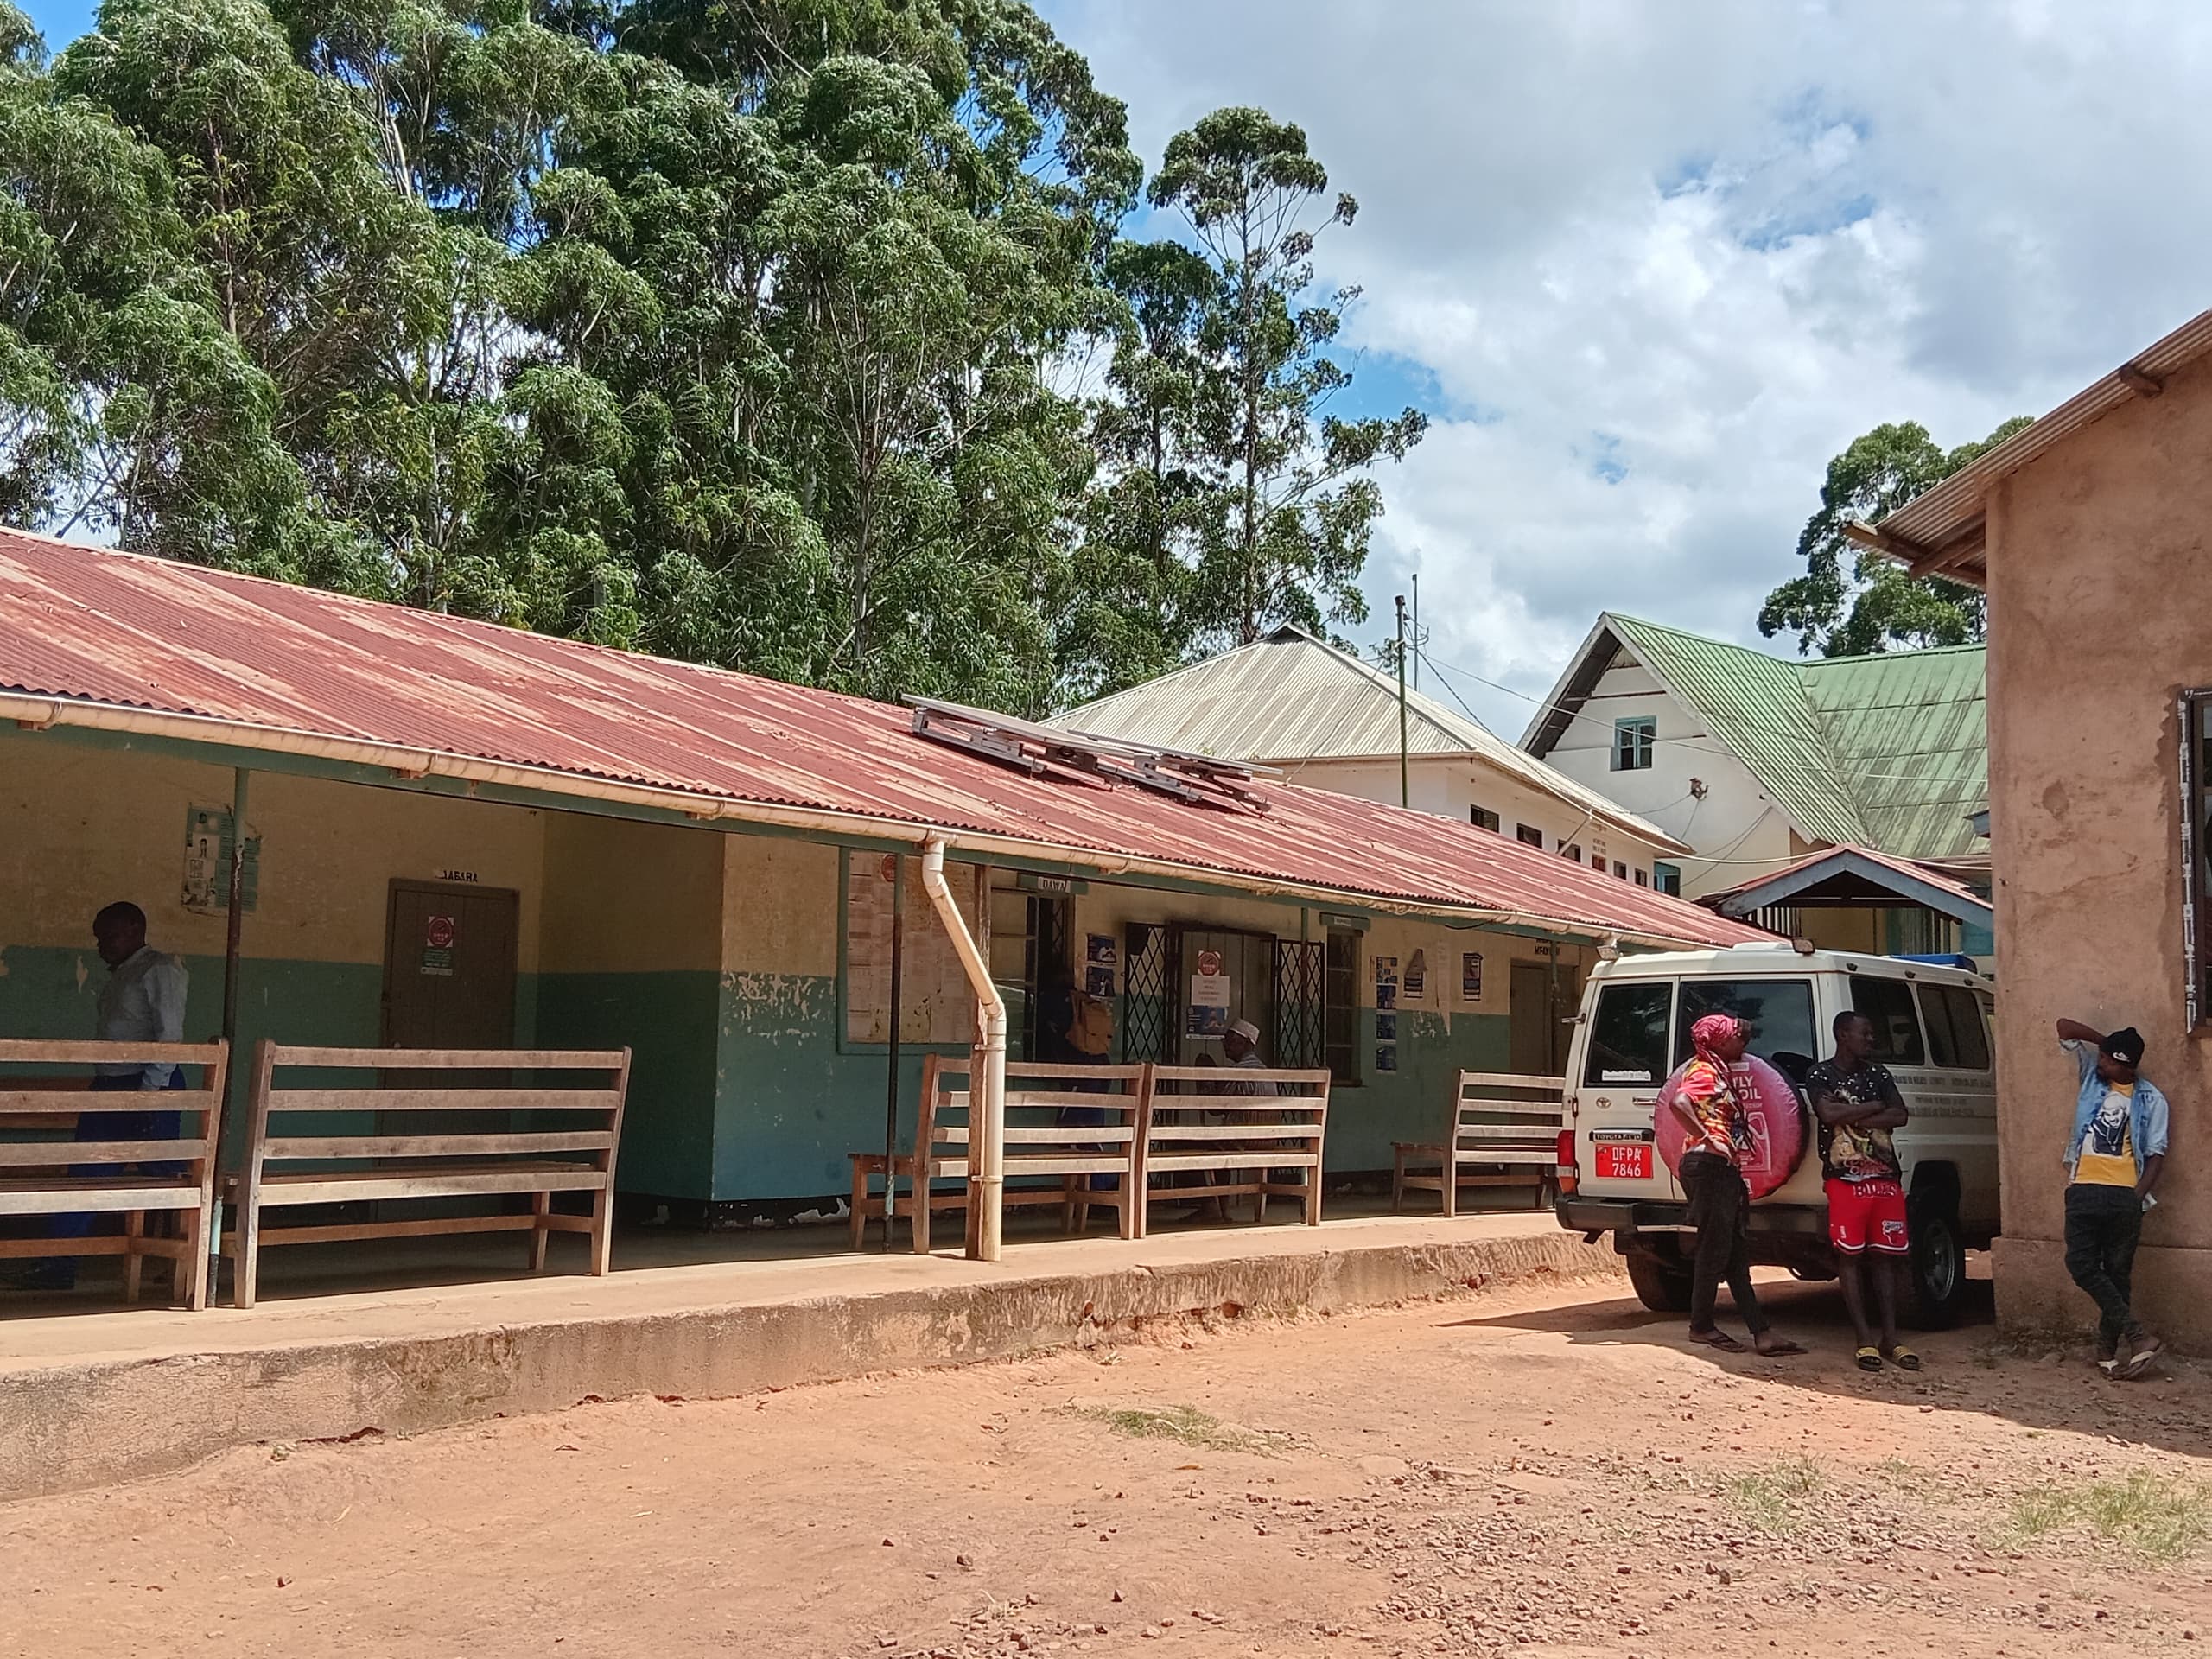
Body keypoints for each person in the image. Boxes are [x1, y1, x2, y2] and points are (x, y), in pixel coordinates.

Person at [18, 902, 190, 1290]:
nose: (101, 947)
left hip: (148, 1084)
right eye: (98, 939)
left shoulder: (160, 969)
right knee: (84, 1174)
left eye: (108, 938)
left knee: (165, 1175)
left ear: (134, 929)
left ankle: (185, 1257)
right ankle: (58, 1266)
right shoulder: (124, 973)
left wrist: (149, 1093)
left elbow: (170, 1036)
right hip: (110, 1085)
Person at [1668, 1013, 1803, 1357]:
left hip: (1720, 1169)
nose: (1744, 1041)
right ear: (1719, 1041)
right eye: (1736, 1037)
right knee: (1714, 1250)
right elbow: (1678, 1103)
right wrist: (1708, 1138)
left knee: (1734, 1253)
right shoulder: (1704, 1070)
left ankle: (1762, 1332)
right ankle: (1701, 1326)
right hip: (1708, 1166)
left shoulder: (1718, 1070)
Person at [2054, 1019, 2169, 1377]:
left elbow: (2156, 1154)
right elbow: (2064, 1027)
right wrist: (2109, 1044)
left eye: (2109, 1059)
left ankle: (2107, 1352)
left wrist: (2137, 1197)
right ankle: (2138, 1336)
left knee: (2118, 1275)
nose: (2101, 1062)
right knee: (2081, 1264)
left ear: (2127, 1065)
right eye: (2102, 1057)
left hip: (2123, 1195)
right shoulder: (2092, 1077)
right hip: (2084, 1188)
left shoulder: (2151, 1099)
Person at [1808, 1011, 1920, 1372]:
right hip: (1844, 1180)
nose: (1871, 1040)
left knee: (1887, 1257)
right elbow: (1827, 1114)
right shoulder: (1820, 1074)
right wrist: (1873, 1107)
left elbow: (1900, 1115)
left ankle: (1891, 1337)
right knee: (1850, 1257)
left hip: (1885, 1178)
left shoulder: (1878, 1074)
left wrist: (1850, 1114)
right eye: (1865, 1033)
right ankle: (1863, 1339)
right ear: (1843, 1035)